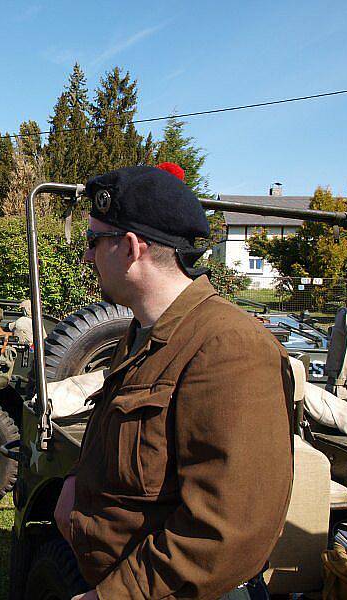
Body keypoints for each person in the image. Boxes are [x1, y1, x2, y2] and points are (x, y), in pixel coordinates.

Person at [53, 165, 294, 600]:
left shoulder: (228, 347)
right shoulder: (145, 331)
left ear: (129, 248)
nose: (87, 258)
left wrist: (112, 596)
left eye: (93, 242)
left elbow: (225, 531)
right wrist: (74, 483)